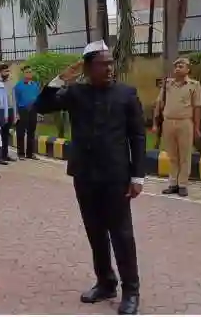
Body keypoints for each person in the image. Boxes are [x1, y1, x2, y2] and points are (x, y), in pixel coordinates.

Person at [34, 40, 144, 315]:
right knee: (95, 233)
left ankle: (131, 291)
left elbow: (137, 136)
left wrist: (138, 175)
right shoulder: (76, 94)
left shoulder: (126, 94)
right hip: (84, 175)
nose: (109, 68)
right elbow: (41, 106)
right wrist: (59, 80)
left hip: (116, 176)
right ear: (87, 68)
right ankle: (105, 282)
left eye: (110, 63)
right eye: (102, 64)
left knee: (121, 234)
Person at [152, 57, 201, 198]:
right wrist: (156, 124)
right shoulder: (167, 85)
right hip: (168, 122)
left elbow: (197, 107)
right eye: (176, 66)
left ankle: (183, 184)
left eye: (181, 66)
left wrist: (197, 127)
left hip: (185, 122)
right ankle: (173, 183)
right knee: (172, 155)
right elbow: (159, 103)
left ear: (188, 69)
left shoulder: (194, 85)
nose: (178, 68)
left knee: (184, 155)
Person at [13, 65, 40, 160]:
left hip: (33, 110)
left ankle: (30, 153)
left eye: (30, 72)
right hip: (22, 109)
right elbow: (15, 100)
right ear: (23, 73)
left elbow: (37, 98)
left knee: (31, 132)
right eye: (27, 72)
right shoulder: (18, 86)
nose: (29, 73)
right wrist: (16, 113)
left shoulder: (35, 85)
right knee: (21, 132)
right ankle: (20, 153)